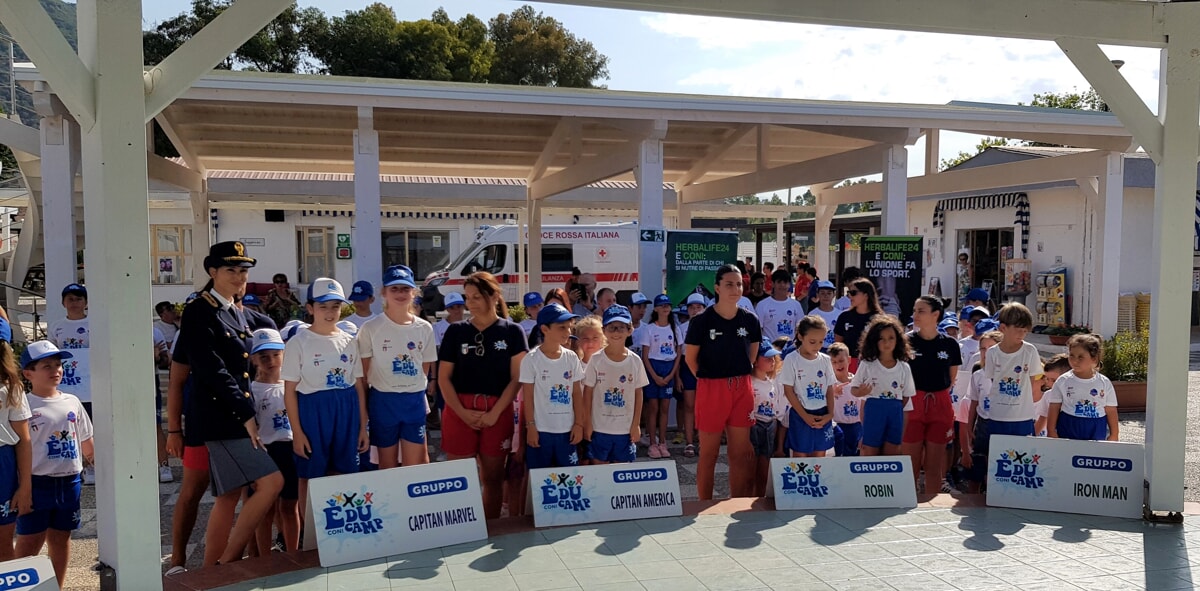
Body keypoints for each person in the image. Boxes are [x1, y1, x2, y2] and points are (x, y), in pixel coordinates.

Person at [177, 241, 282, 566]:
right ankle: (225, 562)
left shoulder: (241, 313)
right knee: (270, 482)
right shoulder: (200, 310)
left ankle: (214, 567)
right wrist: (246, 413)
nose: (239, 277)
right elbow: (213, 371)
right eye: (230, 270)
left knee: (229, 495)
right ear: (212, 271)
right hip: (222, 418)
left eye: (243, 271)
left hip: (239, 415)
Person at [438, 272, 528, 519]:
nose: (471, 303)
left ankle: (491, 528)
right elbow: (443, 378)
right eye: (468, 297)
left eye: (477, 297)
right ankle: (460, 527)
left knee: (493, 477)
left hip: (497, 411)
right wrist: (462, 413)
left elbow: (517, 378)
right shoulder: (455, 332)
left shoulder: (513, 331)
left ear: (494, 296)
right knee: (459, 478)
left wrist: (495, 413)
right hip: (459, 410)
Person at [283, 278, 367, 517]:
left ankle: (342, 528)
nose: (330, 312)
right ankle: (309, 534)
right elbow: (289, 391)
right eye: (323, 306)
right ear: (310, 308)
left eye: (335, 306)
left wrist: (362, 427)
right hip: (313, 410)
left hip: (346, 410)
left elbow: (359, 386)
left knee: (345, 473)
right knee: (309, 475)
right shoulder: (298, 342)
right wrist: (297, 433)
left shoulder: (350, 341)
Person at [14, 341, 92, 586]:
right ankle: (19, 585)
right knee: (30, 540)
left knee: (61, 537)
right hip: (37, 484)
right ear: (28, 374)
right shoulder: (22, 405)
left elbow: (87, 441)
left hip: (70, 482)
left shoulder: (72, 401)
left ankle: (56, 585)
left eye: (58, 365)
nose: (55, 370)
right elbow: (19, 448)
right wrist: (22, 488)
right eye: (46, 366)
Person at [683, 264, 761, 499]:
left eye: (738, 284)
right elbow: (690, 359)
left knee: (740, 453)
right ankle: (703, 503)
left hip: (741, 387)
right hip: (711, 389)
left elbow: (753, 354)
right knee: (709, 453)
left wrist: (736, 375)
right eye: (729, 284)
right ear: (717, 287)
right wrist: (710, 379)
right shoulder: (701, 322)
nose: (735, 289)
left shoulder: (750, 320)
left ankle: (737, 501)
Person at [358, 265, 436, 470]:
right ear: (383, 292)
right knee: (387, 467)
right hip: (383, 401)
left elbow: (424, 369)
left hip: (413, 401)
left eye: (405, 289)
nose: (400, 294)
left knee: (413, 467)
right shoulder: (370, 328)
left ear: (413, 292)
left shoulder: (424, 328)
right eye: (394, 289)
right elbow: (364, 375)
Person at [247, 329, 300, 554]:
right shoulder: (251, 391)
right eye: (264, 356)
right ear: (253, 359)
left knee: (290, 506)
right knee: (264, 510)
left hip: (290, 450)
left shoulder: (294, 385)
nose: (271, 361)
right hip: (264, 452)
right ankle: (264, 560)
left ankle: (292, 555)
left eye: (276, 354)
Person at [904, 296, 961, 495]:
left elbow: (952, 378)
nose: (915, 315)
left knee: (935, 463)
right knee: (911, 459)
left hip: (940, 402)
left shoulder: (950, 344)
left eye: (921, 311)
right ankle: (908, 500)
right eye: (914, 310)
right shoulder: (906, 342)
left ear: (935, 315)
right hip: (913, 402)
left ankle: (932, 504)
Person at [520, 303, 586, 470]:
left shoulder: (571, 357)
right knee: (540, 480)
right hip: (542, 431)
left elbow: (577, 394)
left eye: (569, 327)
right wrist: (531, 427)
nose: (568, 332)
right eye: (561, 327)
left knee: (570, 478)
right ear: (545, 329)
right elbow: (527, 396)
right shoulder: (531, 359)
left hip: (567, 431)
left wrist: (579, 424)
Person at [583, 305, 647, 465]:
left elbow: (638, 394)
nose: (616, 332)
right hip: (599, 428)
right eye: (612, 328)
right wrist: (588, 423)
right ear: (604, 330)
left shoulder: (635, 361)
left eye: (621, 328)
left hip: (625, 430)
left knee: (621, 474)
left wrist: (636, 425)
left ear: (630, 330)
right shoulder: (596, 360)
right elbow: (588, 393)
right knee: (600, 471)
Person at [46, 284, 93, 485]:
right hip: (68, 384)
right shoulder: (57, 325)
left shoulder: (94, 323)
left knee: (90, 425)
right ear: (63, 302)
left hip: (90, 384)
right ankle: (83, 465)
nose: (74, 303)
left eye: (79, 299)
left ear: (86, 302)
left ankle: (93, 464)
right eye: (70, 299)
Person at [850, 316, 915, 457]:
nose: (887, 343)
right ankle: (869, 479)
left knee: (892, 451)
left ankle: (888, 480)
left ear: (898, 339)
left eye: (891, 338)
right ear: (874, 341)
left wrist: (894, 406)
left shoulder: (904, 367)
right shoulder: (867, 364)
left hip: (895, 410)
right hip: (874, 410)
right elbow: (853, 389)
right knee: (870, 451)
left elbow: (906, 395)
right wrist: (861, 392)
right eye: (882, 338)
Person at [984, 303, 1045, 438]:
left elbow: (1033, 381)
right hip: (998, 415)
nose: (1022, 334)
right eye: (1018, 329)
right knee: (997, 455)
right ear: (1003, 328)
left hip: (1023, 416)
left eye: (1025, 331)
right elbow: (993, 379)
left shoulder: (1030, 351)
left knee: (1025, 456)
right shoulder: (992, 353)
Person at [1047, 334, 1119, 441]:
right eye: (1071, 355)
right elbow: (1054, 407)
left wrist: (1114, 434)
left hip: (1096, 427)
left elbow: (1111, 409)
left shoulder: (1104, 382)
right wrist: (1051, 430)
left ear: (1094, 359)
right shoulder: (1063, 381)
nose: (1075, 360)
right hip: (1069, 425)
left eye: (1081, 357)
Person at [781, 317, 835, 459]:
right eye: (812, 342)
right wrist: (804, 416)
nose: (817, 346)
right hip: (801, 414)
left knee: (820, 454)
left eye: (821, 341)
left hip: (822, 413)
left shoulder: (825, 360)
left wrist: (830, 414)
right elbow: (788, 390)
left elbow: (830, 388)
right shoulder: (791, 359)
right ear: (800, 336)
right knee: (800, 455)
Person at [0, 318, 30, 562]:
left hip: (3, 463)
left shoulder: (10, 387)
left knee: (3, 540)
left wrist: (25, 485)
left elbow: (24, 440)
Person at [640, 294, 681, 459]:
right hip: (653, 368)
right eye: (662, 305)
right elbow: (645, 356)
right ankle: (652, 444)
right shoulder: (649, 329)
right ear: (656, 308)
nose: (665, 308)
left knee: (665, 408)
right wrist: (655, 376)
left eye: (668, 305)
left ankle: (663, 442)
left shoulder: (674, 328)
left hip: (668, 368)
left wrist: (671, 374)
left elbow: (678, 354)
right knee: (653, 409)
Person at [962, 328, 1002, 493]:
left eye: (991, 348)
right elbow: (973, 403)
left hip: (1002, 422)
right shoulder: (978, 375)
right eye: (983, 348)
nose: (986, 353)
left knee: (998, 461)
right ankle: (973, 494)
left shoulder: (1009, 374)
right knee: (978, 460)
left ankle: (994, 492)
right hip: (983, 423)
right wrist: (970, 427)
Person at [745, 338, 783, 496]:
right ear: (755, 360)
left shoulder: (772, 382)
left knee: (764, 468)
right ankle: (747, 498)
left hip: (769, 425)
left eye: (773, 358)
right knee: (750, 468)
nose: (772, 361)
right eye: (766, 358)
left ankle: (760, 498)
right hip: (754, 426)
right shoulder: (749, 383)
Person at [673, 293, 706, 459]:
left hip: (705, 369)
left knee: (704, 407)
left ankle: (702, 440)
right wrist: (678, 377)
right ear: (687, 310)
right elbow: (679, 356)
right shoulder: (681, 329)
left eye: (698, 307)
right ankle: (689, 442)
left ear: (704, 309)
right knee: (688, 406)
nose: (695, 310)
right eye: (692, 307)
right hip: (687, 368)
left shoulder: (709, 327)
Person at [834, 278, 883, 373]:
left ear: (866, 295)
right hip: (848, 365)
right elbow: (838, 345)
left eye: (853, 292)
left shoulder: (879, 319)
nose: (849, 296)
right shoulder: (844, 317)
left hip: (873, 365)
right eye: (848, 292)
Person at [827, 343, 860, 457]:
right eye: (834, 362)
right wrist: (832, 393)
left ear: (849, 360)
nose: (838, 365)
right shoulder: (829, 384)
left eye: (841, 361)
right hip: (839, 427)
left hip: (857, 426)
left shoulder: (858, 381)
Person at [756, 269, 804, 342]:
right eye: (779, 282)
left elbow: (801, 329)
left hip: (790, 350)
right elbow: (758, 330)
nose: (782, 285)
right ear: (772, 284)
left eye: (785, 282)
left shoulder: (796, 305)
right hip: (770, 350)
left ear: (789, 285)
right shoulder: (762, 305)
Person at [1037, 354, 1071, 437]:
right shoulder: (1047, 395)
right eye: (1047, 379)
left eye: (1053, 380)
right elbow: (1041, 420)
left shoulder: (1077, 396)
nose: (1048, 383)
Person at [808, 281, 840, 352]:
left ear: (834, 295)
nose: (826, 296)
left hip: (835, 350)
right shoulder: (812, 314)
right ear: (817, 295)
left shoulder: (840, 314)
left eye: (829, 293)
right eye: (822, 293)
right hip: (817, 350)